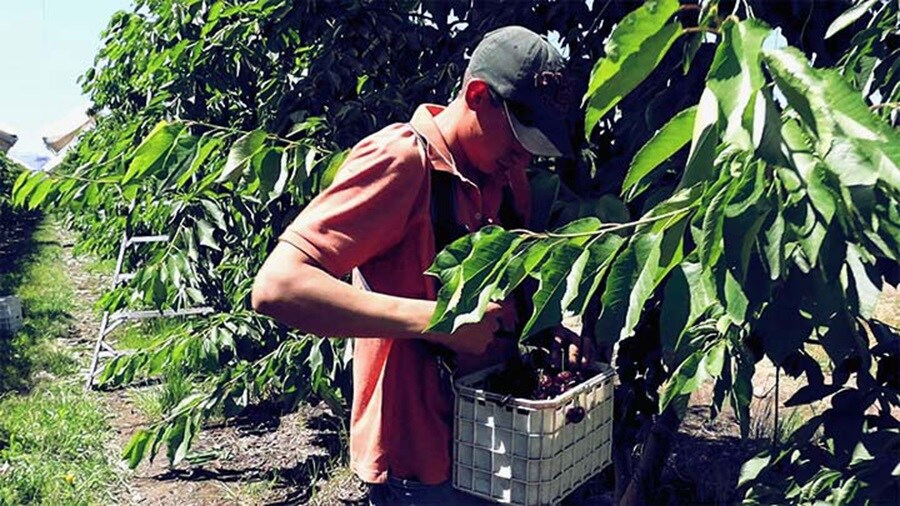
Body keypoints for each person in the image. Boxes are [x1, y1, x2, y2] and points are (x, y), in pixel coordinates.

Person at [252, 25, 584, 505]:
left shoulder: (507, 176)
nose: (526, 152)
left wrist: (540, 328)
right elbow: (278, 287)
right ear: (476, 95)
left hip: (494, 440)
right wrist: (439, 323)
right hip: (420, 463)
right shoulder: (403, 162)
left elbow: (505, 288)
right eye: (518, 134)